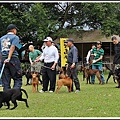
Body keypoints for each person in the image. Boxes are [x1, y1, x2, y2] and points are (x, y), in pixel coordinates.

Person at [0, 23, 22, 91]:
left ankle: (6, 97)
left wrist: (2, 60)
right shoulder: (15, 37)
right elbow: (12, 47)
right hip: (13, 58)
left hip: (3, 58)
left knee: (6, 80)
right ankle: (14, 93)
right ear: (13, 30)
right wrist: (9, 58)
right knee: (17, 77)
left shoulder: (1, 38)